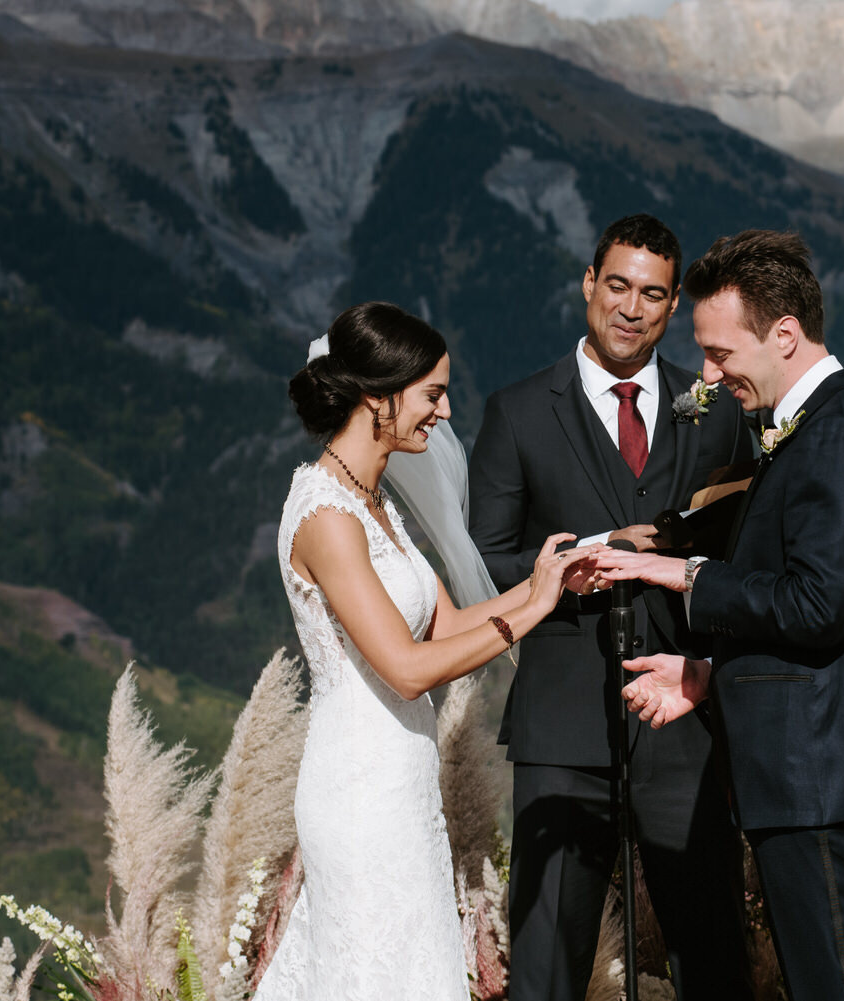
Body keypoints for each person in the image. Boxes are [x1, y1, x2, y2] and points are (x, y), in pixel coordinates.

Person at [592, 230, 844, 1001]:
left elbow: (816, 606)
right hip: (797, 768)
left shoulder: (841, 432)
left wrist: (687, 574)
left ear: (785, 334)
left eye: (721, 354)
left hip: (816, 770)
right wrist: (709, 675)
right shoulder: (808, 430)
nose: (709, 377)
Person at [257, 301, 604, 1001]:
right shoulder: (327, 516)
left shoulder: (376, 502)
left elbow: (446, 625)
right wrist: (532, 611)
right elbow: (408, 669)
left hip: (402, 782)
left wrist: (549, 581)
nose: (444, 414)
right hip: (357, 790)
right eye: (432, 394)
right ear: (376, 396)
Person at [468, 215, 755, 1001]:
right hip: (562, 728)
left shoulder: (719, 410)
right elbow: (479, 564)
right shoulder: (519, 411)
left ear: (671, 309)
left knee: (712, 954)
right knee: (547, 967)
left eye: (653, 294)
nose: (632, 307)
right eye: (619, 285)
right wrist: (580, 559)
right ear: (589, 285)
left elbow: (743, 556)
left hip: (685, 721)